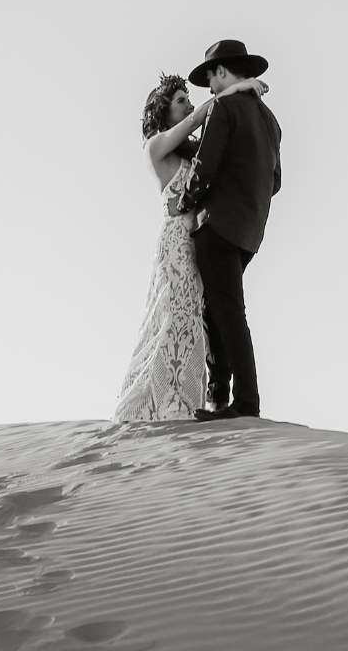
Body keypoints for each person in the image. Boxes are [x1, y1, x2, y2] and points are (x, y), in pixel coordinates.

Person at [112, 66, 271, 422]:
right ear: (163, 110)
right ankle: (160, 402)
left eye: (188, 100)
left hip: (198, 241)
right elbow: (203, 116)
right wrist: (239, 86)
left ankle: (189, 400)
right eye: (180, 101)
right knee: (174, 318)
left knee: (198, 323)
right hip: (175, 247)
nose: (188, 106)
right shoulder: (155, 148)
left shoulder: (189, 156)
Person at [177, 39, 282, 422]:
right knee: (218, 310)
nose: (210, 89)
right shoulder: (271, 121)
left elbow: (206, 166)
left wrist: (186, 204)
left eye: (211, 79)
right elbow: (275, 182)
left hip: (217, 226)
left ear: (222, 71)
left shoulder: (224, 108)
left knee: (228, 313)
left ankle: (245, 403)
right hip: (250, 233)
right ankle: (219, 395)